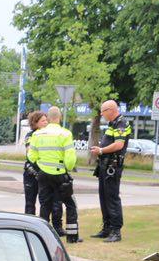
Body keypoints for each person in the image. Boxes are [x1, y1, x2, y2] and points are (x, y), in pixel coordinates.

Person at [27, 105, 80, 243]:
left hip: (43, 174)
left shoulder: (37, 134)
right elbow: (70, 160)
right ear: (60, 117)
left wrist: (42, 163)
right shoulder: (65, 134)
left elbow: (31, 156)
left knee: (45, 204)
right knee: (70, 203)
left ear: (48, 118)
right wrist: (66, 167)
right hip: (60, 174)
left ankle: (42, 236)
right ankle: (72, 237)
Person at [91, 99, 132, 241]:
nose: (102, 114)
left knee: (112, 198)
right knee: (104, 197)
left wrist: (101, 150)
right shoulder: (112, 123)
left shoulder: (121, 123)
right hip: (105, 165)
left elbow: (119, 144)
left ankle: (116, 231)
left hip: (112, 166)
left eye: (103, 112)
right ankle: (107, 228)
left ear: (110, 110)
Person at [22, 110, 46, 216]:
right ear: (35, 122)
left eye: (46, 120)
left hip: (44, 173)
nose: (46, 122)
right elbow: (29, 152)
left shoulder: (48, 135)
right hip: (31, 173)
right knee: (30, 203)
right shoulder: (30, 135)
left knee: (45, 202)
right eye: (42, 121)